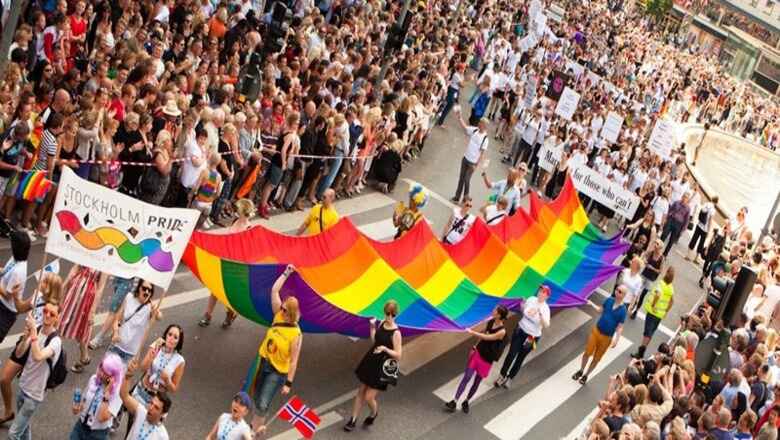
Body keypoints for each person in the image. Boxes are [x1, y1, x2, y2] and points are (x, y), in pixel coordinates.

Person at [0, 272, 62, 425]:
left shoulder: (53, 308)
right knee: (4, 380)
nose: (41, 280)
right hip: (24, 342)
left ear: (51, 287)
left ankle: (18, 419)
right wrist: (15, 296)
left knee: (7, 379)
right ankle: (10, 412)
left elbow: (54, 333)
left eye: (45, 281)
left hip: (34, 347)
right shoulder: (37, 295)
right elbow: (20, 308)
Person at [251, 265, 302, 436]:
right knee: (256, 397)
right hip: (264, 362)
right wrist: (287, 272)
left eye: (285, 309)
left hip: (277, 371)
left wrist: (288, 382)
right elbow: (274, 291)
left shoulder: (296, 334)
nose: (281, 309)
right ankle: (254, 426)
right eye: (283, 307)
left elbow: (294, 360)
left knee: (263, 403)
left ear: (292, 314)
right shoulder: (278, 315)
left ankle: (255, 433)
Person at [344, 300, 403, 432]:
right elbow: (375, 341)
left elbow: (398, 355)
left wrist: (385, 349)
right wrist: (372, 328)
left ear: (395, 315)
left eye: (392, 314)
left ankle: (373, 413)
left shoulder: (396, 333)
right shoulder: (382, 323)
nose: (389, 317)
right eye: (387, 313)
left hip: (383, 366)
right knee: (361, 391)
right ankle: (353, 419)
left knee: (369, 397)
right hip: (372, 360)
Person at [8, 301, 62, 440]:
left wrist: (32, 333)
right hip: (23, 386)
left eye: (52, 314)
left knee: (13, 434)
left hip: (33, 396)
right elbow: (19, 354)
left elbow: (38, 356)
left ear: (57, 318)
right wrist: (25, 337)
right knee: (24, 430)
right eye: (45, 311)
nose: (47, 315)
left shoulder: (56, 341)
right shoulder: (37, 329)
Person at [445, 305, 508, 414]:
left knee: (477, 382)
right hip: (478, 353)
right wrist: (475, 346)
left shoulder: (502, 332)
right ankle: (454, 401)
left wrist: (472, 332)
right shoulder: (491, 321)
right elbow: (483, 335)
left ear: (499, 315)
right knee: (467, 377)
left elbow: (488, 337)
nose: (492, 311)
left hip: (487, 360)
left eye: (495, 310)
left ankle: (466, 401)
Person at [128, 324, 185, 431]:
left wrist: (167, 380)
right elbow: (143, 368)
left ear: (179, 342)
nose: (171, 339)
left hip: (154, 401)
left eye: (175, 337)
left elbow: (174, 389)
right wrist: (151, 357)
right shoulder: (157, 345)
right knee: (131, 427)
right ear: (166, 335)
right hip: (141, 392)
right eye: (170, 334)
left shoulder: (179, 360)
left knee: (143, 430)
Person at [495, 285, 551, 389]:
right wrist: (522, 304)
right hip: (520, 330)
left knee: (520, 357)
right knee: (511, 354)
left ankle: (510, 378)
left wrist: (541, 316)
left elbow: (546, 325)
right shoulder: (531, 299)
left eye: (543, 292)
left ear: (547, 296)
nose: (540, 293)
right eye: (540, 290)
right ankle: (501, 376)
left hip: (532, 336)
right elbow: (523, 310)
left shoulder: (545, 308)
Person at [59, 265, 108, 373]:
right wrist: (65, 285)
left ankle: (84, 357)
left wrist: (92, 311)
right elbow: (75, 268)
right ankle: (53, 356)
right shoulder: (89, 249)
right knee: (62, 322)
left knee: (81, 330)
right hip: (74, 292)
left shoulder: (106, 262)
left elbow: (100, 289)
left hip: (87, 299)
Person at [573, 287, 626, 385]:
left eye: (620, 291)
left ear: (623, 295)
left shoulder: (623, 310)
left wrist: (616, 340)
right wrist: (591, 303)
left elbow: (620, 327)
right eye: (617, 289)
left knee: (596, 358)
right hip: (596, 331)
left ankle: (586, 375)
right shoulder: (609, 300)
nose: (617, 292)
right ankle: (581, 370)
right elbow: (600, 310)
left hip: (607, 337)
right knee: (587, 353)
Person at [69, 353, 125, 440]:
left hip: (97, 434)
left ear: (113, 377)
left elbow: (102, 418)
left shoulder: (118, 395)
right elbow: (84, 401)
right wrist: (77, 408)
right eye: (101, 369)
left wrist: (107, 394)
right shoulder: (93, 379)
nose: (100, 373)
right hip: (81, 426)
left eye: (105, 373)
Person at [108, 280, 162, 365]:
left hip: (131, 354)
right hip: (116, 346)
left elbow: (159, 317)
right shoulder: (129, 297)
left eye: (149, 290)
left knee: (120, 378)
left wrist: (156, 310)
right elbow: (117, 319)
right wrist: (115, 333)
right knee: (104, 374)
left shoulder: (150, 307)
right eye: (144, 288)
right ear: (139, 288)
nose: (146, 292)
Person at [121, 360, 171, 440]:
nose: (151, 408)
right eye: (151, 403)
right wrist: (128, 376)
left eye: (156, 408)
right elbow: (124, 396)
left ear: (163, 413)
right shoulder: (141, 412)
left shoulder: (162, 436)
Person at [632, 267, 675, 359]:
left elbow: (658, 295)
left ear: (666, 273)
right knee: (650, 332)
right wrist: (666, 311)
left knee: (647, 332)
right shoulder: (670, 287)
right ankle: (643, 349)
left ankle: (641, 352)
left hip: (653, 312)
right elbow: (671, 301)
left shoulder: (662, 284)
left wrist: (653, 305)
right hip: (660, 314)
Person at [89, 277, 136, 350]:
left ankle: (99, 337)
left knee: (113, 308)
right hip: (118, 277)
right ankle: (117, 330)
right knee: (119, 307)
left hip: (128, 280)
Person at [451, 113, 488, 204]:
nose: (479, 124)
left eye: (481, 123)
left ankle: (466, 197)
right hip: (466, 158)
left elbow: (482, 153)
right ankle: (457, 197)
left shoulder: (485, 139)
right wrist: (460, 118)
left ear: (484, 126)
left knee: (467, 179)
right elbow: (465, 127)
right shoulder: (475, 130)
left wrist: (476, 165)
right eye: (479, 122)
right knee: (461, 178)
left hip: (473, 163)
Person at [0, 231, 30, 344]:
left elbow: (8, 296)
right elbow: (5, 270)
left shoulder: (19, 271)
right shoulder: (15, 258)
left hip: (6, 310)